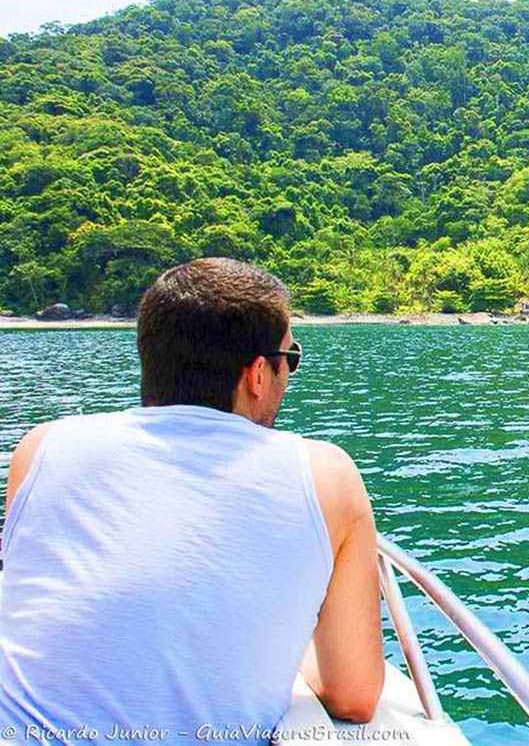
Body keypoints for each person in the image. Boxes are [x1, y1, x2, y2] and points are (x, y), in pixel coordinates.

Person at [0, 258, 384, 743]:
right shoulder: (326, 476)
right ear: (258, 374)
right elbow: (354, 695)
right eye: (291, 358)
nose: (289, 372)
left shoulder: (42, 448)